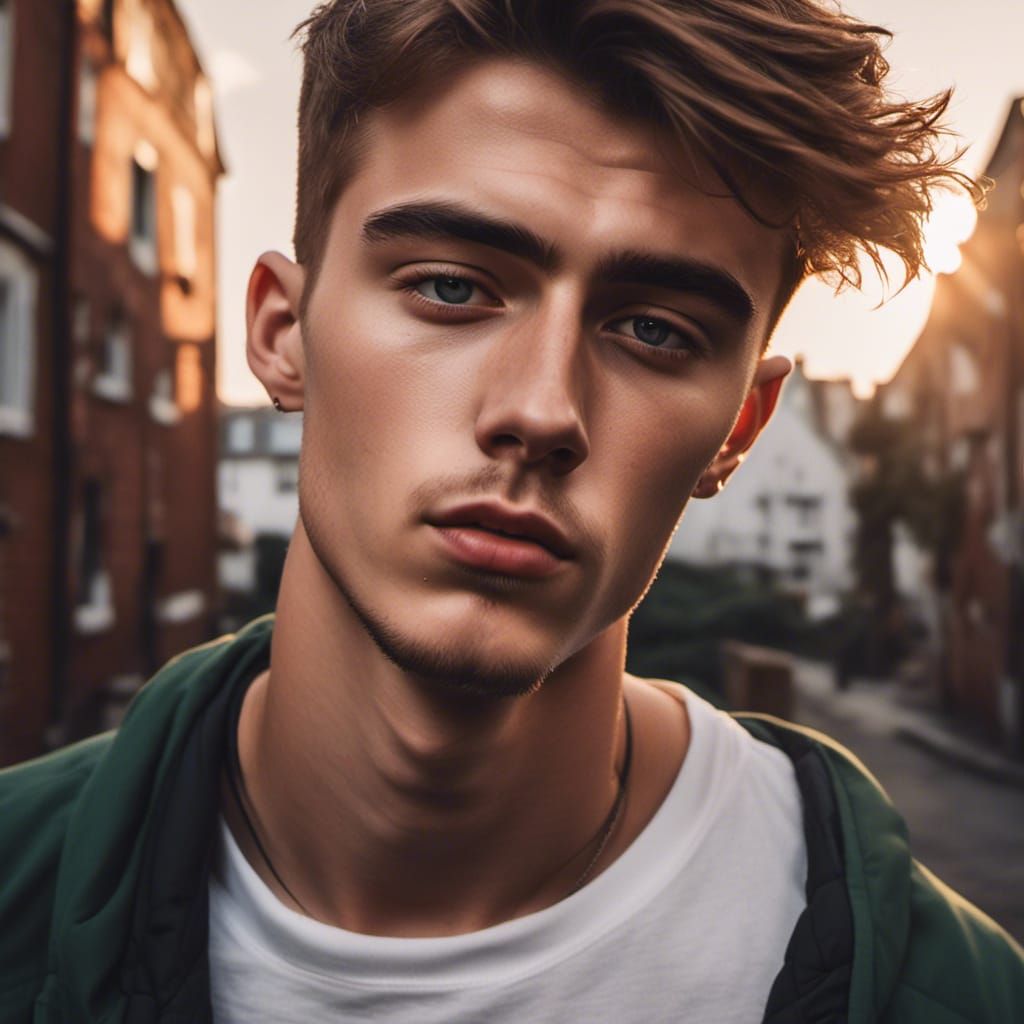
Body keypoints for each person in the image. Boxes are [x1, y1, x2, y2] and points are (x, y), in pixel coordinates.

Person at [2, 1, 1022, 1021]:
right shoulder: (19, 883)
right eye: (450, 286)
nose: (540, 410)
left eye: (656, 332)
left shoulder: (962, 995)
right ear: (282, 334)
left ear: (739, 428)